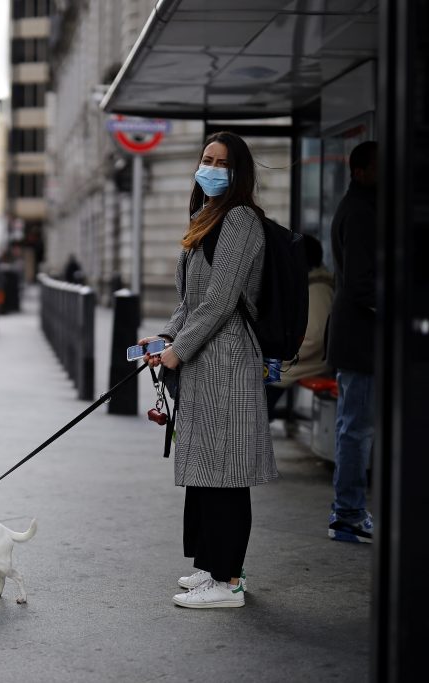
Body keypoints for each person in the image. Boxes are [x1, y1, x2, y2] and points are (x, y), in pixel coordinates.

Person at [139, 131, 277, 609]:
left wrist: (179, 349)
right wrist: (164, 339)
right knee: (205, 471)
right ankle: (210, 567)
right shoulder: (206, 219)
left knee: (226, 472)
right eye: (206, 159)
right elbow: (190, 301)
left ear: (239, 172)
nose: (211, 168)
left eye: (221, 162)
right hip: (205, 360)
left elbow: (220, 302)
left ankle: (229, 582)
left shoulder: (240, 220)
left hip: (229, 362)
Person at [325, 141, 378, 544]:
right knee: (355, 429)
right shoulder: (361, 212)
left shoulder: (358, 206)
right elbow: (362, 285)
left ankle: (349, 510)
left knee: (354, 426)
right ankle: (348, 514)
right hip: (360, 336)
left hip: (355, 334)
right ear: (360, 171)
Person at [265, 234, 334, 420]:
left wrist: (280, 354)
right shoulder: (310, 285)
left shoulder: (317, 290)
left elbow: (314, 338)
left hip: (306, 364)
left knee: (261, 382)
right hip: (299, 361)